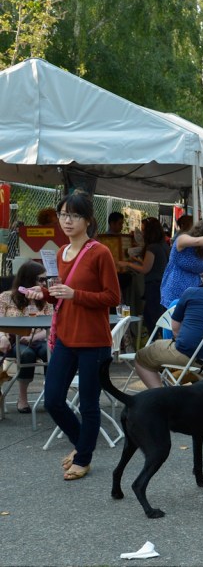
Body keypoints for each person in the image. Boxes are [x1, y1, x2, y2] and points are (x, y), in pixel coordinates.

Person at [32, 192, 120, 481]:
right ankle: (83, 444)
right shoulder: (60, 253)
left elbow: (113, 297)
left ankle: (83, 458)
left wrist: (75, 294)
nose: (67, 221)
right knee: (53, 400)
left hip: (93, 341)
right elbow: (60, 295)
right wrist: (43, 293)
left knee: (89, 403)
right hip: (66, 338)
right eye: (63, 214)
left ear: (88, 220)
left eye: (74, 215)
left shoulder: (100, 252)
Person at [132, 266, 203, 388]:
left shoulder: (191, 293)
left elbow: (175, 329)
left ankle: (160, 394)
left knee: (141, 357)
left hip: (186, 352)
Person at [0, 261, 54, 413]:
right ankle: (22, 398)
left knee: (50, 352)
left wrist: (34, 338)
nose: (44, 283)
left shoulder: (44, 298)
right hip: (14, 341)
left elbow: (52, 325)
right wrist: (2, 337)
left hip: (39, 338)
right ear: (28, 280)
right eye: (41, 280)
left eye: (45, 280)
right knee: (26, 354)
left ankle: (51, 396)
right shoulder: (6, 297)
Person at [119, 217, 169, 333]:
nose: (142, 233)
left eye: (143, 230)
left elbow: (145, 269)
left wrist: (127, 264)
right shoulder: (163, 245)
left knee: (152, 317)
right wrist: (136, 260)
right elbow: (154, 265)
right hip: (162, 285)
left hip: (154, 286)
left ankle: (154, 339)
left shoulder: (152, 247)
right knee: (155, 315)